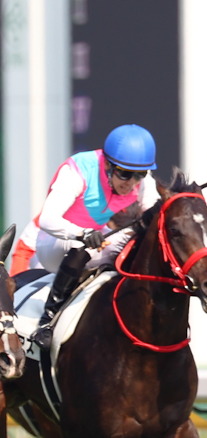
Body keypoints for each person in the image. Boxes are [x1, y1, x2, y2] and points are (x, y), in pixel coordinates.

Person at [16, 124, 160, 345]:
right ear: (108, 166)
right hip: (54, 243)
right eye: (124, 174)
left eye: (139, 175)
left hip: (95, 236)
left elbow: (154, 218)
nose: (131, 183)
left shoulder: (142, 183)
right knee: (84, 246)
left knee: (136, 242)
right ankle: (47, 320)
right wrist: (82, 234)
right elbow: (47, 219)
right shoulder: (78, 170)